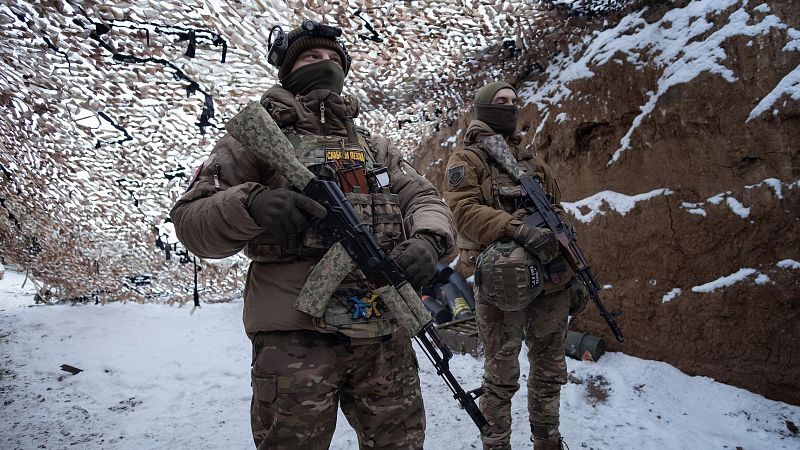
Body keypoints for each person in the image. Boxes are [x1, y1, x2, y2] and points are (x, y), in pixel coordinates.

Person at [170, 19, 455, 450]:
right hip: (295, 336)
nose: (324, 65)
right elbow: (191, 221)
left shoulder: (374, 147)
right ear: (287, 72)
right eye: (310, 57)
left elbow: (425, 198)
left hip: (381, 328)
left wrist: (428, 241)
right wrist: (250, 205)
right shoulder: (253, 140)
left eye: (332, 59)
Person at [443, 81, 588, 450]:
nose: (510, 106)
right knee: (502, 372)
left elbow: (557, 212)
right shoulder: (468, 159)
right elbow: (464, 213)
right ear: (484, 109)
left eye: (514, 101)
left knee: (550, 370)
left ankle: (548, 440)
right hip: (500, 283)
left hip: (550, 281)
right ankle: (497, 444)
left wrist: (575, 272)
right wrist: (517, 229)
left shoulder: (531, 162)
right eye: (501, 101)